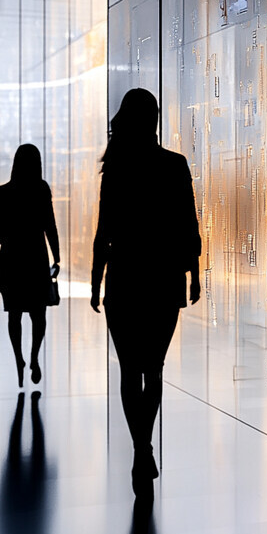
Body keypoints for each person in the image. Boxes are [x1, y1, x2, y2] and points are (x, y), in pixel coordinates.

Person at [91, 88, 201, 496]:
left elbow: (105, 231)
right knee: (152, 369)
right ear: (152, 118)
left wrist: (95, 278)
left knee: (129, 371)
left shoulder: (117, 168)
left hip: (124, 278)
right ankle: (142, 447)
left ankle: (140, 449)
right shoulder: (174, 165)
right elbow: (187, 224)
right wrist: (193, 272)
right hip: (162, 279)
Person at [0, 144, 60, 389]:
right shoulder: (41, 189)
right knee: (39, 315)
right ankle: (33, 357)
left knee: (15, 314)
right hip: (36, 259)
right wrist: (57, 257)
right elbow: (49, 224)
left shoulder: (4, 192)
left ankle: (19, 358)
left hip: (11, 260)